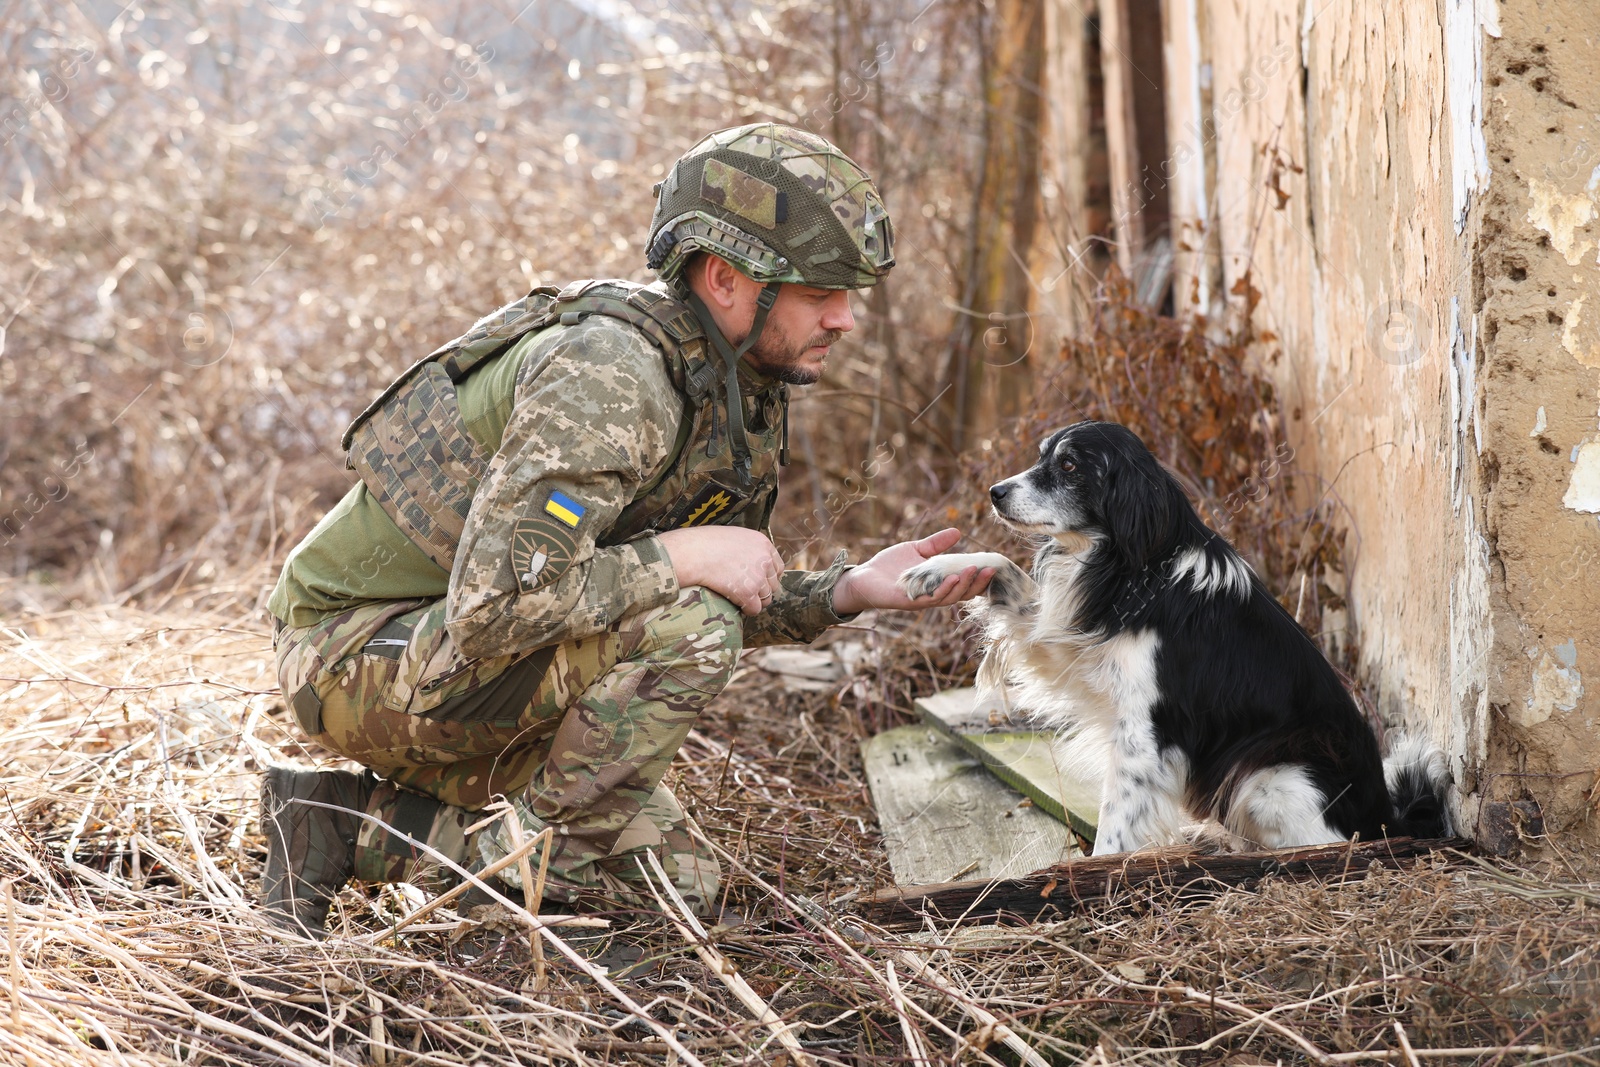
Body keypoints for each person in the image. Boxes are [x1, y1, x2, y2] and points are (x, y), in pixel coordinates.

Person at [260, 122, 995, 937]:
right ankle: (525, 874)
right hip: (354, 651)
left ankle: (342, 827)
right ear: (725, 279)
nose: (846, 319)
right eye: (822, 291)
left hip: (470, 657)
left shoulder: (731, 374)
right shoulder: (611, 376)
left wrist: (849, 590)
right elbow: (497, 607)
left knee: (680, 881)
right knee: (692, 628)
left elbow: (720, 579)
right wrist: (683, 554)